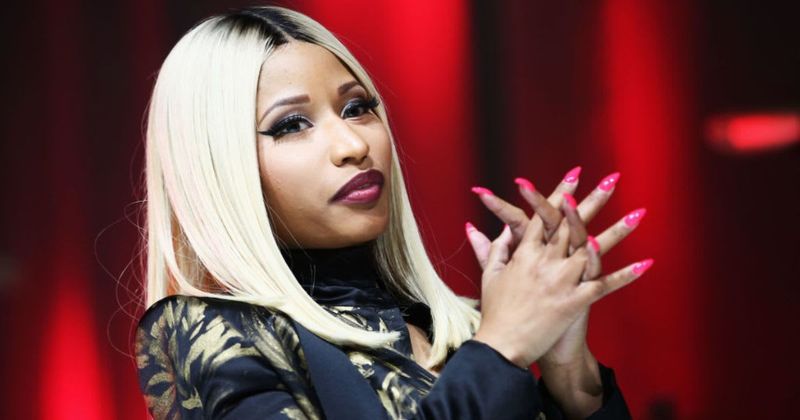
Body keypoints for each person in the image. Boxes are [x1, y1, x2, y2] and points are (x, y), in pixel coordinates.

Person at [135, 5, 651, 419]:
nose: (353, 145)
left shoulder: (467, 329)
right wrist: (503, 347)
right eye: (291, 124)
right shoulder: (209, 330)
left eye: (357, 108)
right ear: (217, 164)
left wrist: (569, 375)